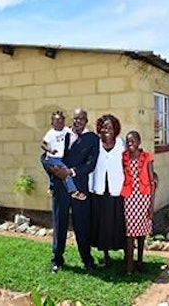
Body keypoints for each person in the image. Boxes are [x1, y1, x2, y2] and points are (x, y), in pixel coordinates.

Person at [42, 108, 99, 274]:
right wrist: (54, 171)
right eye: (75, 118)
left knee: (82, 224)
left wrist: (71, 171)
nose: (77, 121)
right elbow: (44, 157)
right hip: (60, 187)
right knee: (60, 223)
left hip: (79, 187)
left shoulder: (92, 139)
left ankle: (87, 259)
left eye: (81, 119)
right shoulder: (62, 134)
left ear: (86, 120)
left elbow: (91, 164)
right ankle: (56, 260)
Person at [89, 114, 126, 267]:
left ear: (115, 129)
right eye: (104, 127)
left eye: (110, 127)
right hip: (99, 189)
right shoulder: (95, 144)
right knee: (102, 223)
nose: (107, 130)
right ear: (99, 128)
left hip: (117, 189)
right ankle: (105, 254)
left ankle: (125, 253)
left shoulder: (121, 144)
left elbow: (131, 162)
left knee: (119, 222)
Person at [121, 130, 156, 275]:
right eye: (128, 141)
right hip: (129, 199)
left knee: (142, 233)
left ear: (139, 142)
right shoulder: (124, 157)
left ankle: (140, 261)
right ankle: (129, 265)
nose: (130, 143)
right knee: (129, 233)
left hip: (143, 199)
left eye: (133, 140)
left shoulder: (147, 157)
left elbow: (152, 182)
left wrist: (151, 206)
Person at [40, 111, 86, 200]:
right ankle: (73, 191)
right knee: (65, 172)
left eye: (61, 120)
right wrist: (50, 150)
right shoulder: (51, 133)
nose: (59, 123)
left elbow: (74, 131)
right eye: (57, 121)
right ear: (52, 123)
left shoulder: (65, 129)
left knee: (55, 172)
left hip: (61, 157)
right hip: (52, 157)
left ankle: (51, 187)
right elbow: (43, 144)